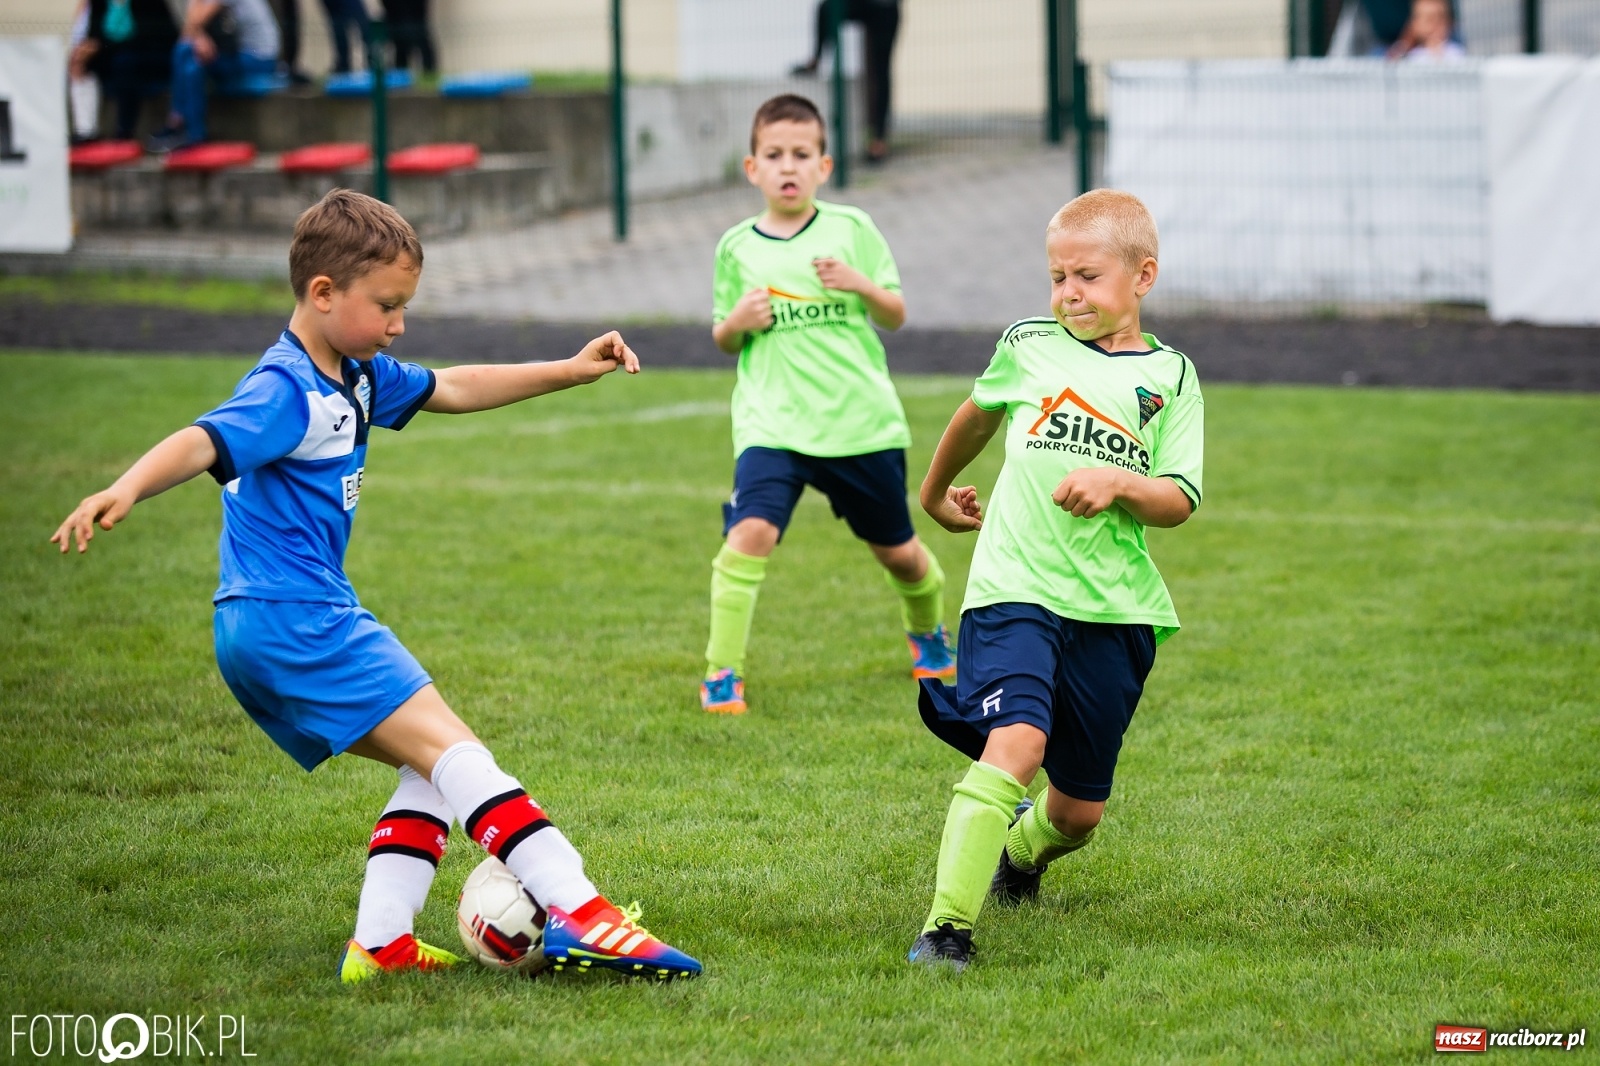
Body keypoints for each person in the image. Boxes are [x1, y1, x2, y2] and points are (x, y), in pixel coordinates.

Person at [50, 189, 702, 984]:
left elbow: (454, 387)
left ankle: (381, 946)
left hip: (262, 626)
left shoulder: (354, 377)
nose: (399, 324)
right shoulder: (288, 387)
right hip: (300, 618)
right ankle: (586, 911)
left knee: (425, 768)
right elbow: (202, 439)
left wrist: (571, 368)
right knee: (458, 752)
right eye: (387, 305)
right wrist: (124, 488)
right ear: (322, 294)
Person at [906, 189, 1204, 971]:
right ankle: (946, 931)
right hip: (1014, 588)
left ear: (1143, 277)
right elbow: (977, 415)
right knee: (1018, 742)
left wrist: (1118, 484)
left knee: (1079, 813)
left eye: (1088, 277)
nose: (1068, 293)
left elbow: (1179, 498)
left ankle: (1024, 856)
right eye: (1057, 276)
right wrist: (934, 492)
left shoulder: (1171, 377)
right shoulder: (1029, 343)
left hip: (1113, 608)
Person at [702, 93, 954, 716]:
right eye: (774, 154)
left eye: (802, 154)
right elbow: (723, 336)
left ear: (825, 165)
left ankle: (927, 632)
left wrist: (860, 283)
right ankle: (720, 674)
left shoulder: (851, 230)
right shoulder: (736, 247)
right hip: (773, 424)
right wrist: (739, 319)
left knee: (897, 551)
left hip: (858, 424)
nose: (788, 166)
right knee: (750, 532)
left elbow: (895, 314)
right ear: (751, 167)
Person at [146, 0, 281, 151]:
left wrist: (197, 34)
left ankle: (192, 133)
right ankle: (178, 123)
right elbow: (189, 32)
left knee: (193, 66)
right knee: (183, 50)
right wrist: (199, 37)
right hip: (234, 52)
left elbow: (193, 25)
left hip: (259, 59)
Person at [792, 0, 900, 163]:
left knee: (880, 72)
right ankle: (816, 60)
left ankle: (879, 139)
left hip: (886, 7)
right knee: (827, 8)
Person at [71, 0, 180, 142]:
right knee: (79, 65)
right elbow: (95, 33)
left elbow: (152, 35)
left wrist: (100, 46)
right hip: (111, 52)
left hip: (150, 53)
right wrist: (85, 51)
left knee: (125, 64)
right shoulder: (98, 3)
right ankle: (85, 131)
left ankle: (124, 131)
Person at [1388, 0, 1466, 61]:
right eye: (1429, 20)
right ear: (1414, 24)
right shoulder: (1411, 56)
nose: (1435, 25)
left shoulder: (1455, 52)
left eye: (1440, 18)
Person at [382, 0, 437, 75]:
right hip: (400, 20)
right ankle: (402, 77)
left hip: (411, 19)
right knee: (401, 51)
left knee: (421, 49)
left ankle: (428, 76)